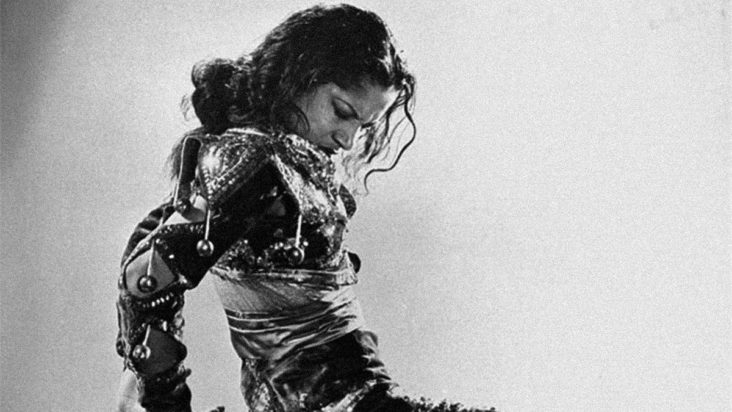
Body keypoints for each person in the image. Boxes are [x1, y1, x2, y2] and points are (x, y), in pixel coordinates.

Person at [115, 4, 494, 412]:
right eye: (342, 112)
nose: (348, 139)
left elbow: (150, 247)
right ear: (298, 77)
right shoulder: (256, 164)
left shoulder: (273, 162)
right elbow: (145, 279)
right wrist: (163, 400)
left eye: (363, 126)